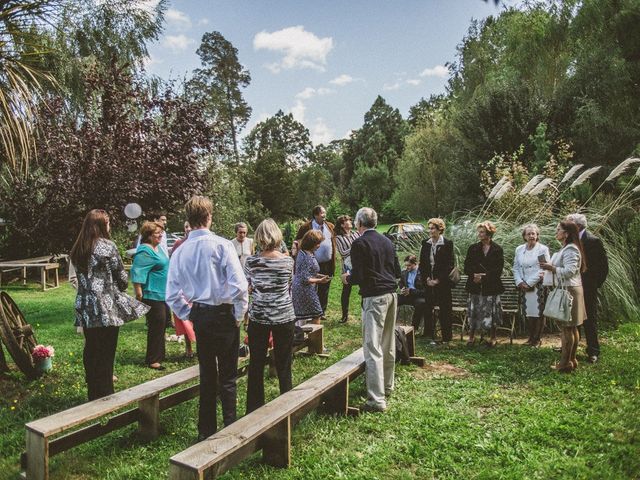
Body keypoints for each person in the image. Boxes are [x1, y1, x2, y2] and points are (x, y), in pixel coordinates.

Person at [166, 196, 248, 440]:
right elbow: (240, 286)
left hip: (200, 314)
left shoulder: (180, 251)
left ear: (189, 220)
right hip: (223, 314)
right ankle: (230, 427)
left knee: (207, 374)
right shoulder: (222, 245)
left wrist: (188, 313)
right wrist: (239, 315)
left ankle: (206, 431)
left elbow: (171, 293)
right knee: (228, 375)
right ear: (209, 217)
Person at [70, 209, 148, 400]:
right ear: (101, 225)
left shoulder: (77, 248)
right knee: (107, 349)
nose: (110, 226)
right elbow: (121, 278)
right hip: (106, 306)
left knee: (91, 347)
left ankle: (93, 390)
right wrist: (117, 286)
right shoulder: (108, 246)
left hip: (85, 305)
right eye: (108, 223)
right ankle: (105, 392)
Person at [341, 207, 401, 413]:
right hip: (392, 294)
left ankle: (376, 399)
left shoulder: (359, 243)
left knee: (372, 346)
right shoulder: (387, 241)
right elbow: (398, 271)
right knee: (388, 342)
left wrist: (347, 278)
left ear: (359, 223)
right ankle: (387, 386)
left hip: (374, 296)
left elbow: (358, 276)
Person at [244, 219, 296, 413]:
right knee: (284, 363)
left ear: (258, 237)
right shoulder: (287, 261)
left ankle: (254, 409)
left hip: (259, 315)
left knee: (256, 364)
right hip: (284, 314)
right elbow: (288, 284)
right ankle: (287, 407)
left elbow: (249, 286)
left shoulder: (251, 261)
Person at [540, 220, 587, 373]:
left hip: (569, 290)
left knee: (567, 328)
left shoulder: (571, 249)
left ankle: (564, 363)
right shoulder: (567, 248)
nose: (556, 232)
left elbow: (569, 271)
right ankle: (571, 360)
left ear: (566, 233)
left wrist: (551, 268)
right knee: (571, 327)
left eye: (558, 229)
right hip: (570, 288)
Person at [566, 213, 608, 363]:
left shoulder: (593, 241)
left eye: (568, 222)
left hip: (588, 286)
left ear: (578, 225)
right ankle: (572, 348)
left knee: (590, 318)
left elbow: (603, 267)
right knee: (573, 318)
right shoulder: (569, 240)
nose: (565, 225)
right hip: (572, 286)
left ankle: (593, 351)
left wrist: (595, 284)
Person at [131, 221, 170, 370]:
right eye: (157, 233)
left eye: (161, 233)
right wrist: (139, 292)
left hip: (161, 293)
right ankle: (153, 359)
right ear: (148, 235)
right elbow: (137, 271)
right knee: (156, 325)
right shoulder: (145, 251)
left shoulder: (157, 248)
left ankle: (159, 355)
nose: (160, 235)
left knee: (163, 323)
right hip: (151, 293)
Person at [464, 221, 504, 347]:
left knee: (492, 311)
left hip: (491, 285)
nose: (480, 234)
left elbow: (498, 269)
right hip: (474, 284)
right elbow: (466, 266)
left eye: (482, 232)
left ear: (489, 233)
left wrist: (484, 277)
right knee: (474, 310)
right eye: (479, 232)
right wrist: (474, 275)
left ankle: (493, 337)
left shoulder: (497, 249)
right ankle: (471, 337)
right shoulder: (473, 248)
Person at [513, 224, 551, 347]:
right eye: (528, 234)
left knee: (538, 312)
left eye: (533, 233)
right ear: (524, 236)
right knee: (529, 312)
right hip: (523, 284)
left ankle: (537, 339)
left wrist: (530, 283)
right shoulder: (519, 249)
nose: (531, 236)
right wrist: (520, 282)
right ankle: (530, 338)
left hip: (537, 285)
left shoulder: (542, 249)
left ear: (537, 235)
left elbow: (544, 269)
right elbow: (516, 267)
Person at [418, 218, 455, 343]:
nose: (430, 231)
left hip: (443, 283)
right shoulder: (426, 243)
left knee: (445, 309)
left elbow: (449, 265)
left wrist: (438, 280)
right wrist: (427, 278)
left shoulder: (447, 244)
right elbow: (422, 264)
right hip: (429, 282)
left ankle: (446, 337)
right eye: (429, 228)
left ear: (440, 230)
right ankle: (429, 334)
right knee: (428, 308)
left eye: (433, 228)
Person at [295, 206, 335, 317]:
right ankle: (312, 310)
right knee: (312, 286)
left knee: (325, 287)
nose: (324, 215)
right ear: (316, 215)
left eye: (325, 213)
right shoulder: (306, 227)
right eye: (322, 213)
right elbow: (298, 241)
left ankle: (322, 311)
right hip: (311, 262)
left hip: (327, 262)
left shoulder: (330, 226)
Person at [292, 230, 330, 326]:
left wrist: (319, 275)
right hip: (303, 289)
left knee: (308, 315)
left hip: (305, 288)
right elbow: (305, 278)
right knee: (317, 313)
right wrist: (320, 280)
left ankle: (305, 336)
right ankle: (313, 338)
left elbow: (308, 272)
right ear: (311, 243)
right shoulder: (306, 257)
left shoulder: (306, 253)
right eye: (318, 244)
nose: (319, 246)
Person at [170, 221, 196, 358]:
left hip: (196, 285)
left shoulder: (198, 243)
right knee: (184, 316)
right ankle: (188, 347)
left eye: (190, 226)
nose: (188, 228)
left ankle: (202, 344)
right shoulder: (178, 244)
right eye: (186, 226)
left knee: (197, 315)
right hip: (182, 285)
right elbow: (173, 263)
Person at [334, 214, 360, 323]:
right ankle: (344, 315)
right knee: (346, 291)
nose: (350, 222)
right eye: (347, 221)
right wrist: (355, 246)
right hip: (347, 266)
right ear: (342, 225)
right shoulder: (338, 238)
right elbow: (343, 253)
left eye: (350, 220)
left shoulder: (355, 234)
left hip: (359, 264)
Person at [397, 255, 426, 336]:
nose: (407, 267)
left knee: (421, 303)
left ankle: (414, 329)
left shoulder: (422, 273)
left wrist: (411, 291)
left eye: (409, 265)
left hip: (418, 297)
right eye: (406, 265)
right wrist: (402, 288)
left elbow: (425, 291)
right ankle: (389, 325)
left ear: (415, 264)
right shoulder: (404, 272)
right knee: (394, 299)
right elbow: (401, 283)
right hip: (407, 295)